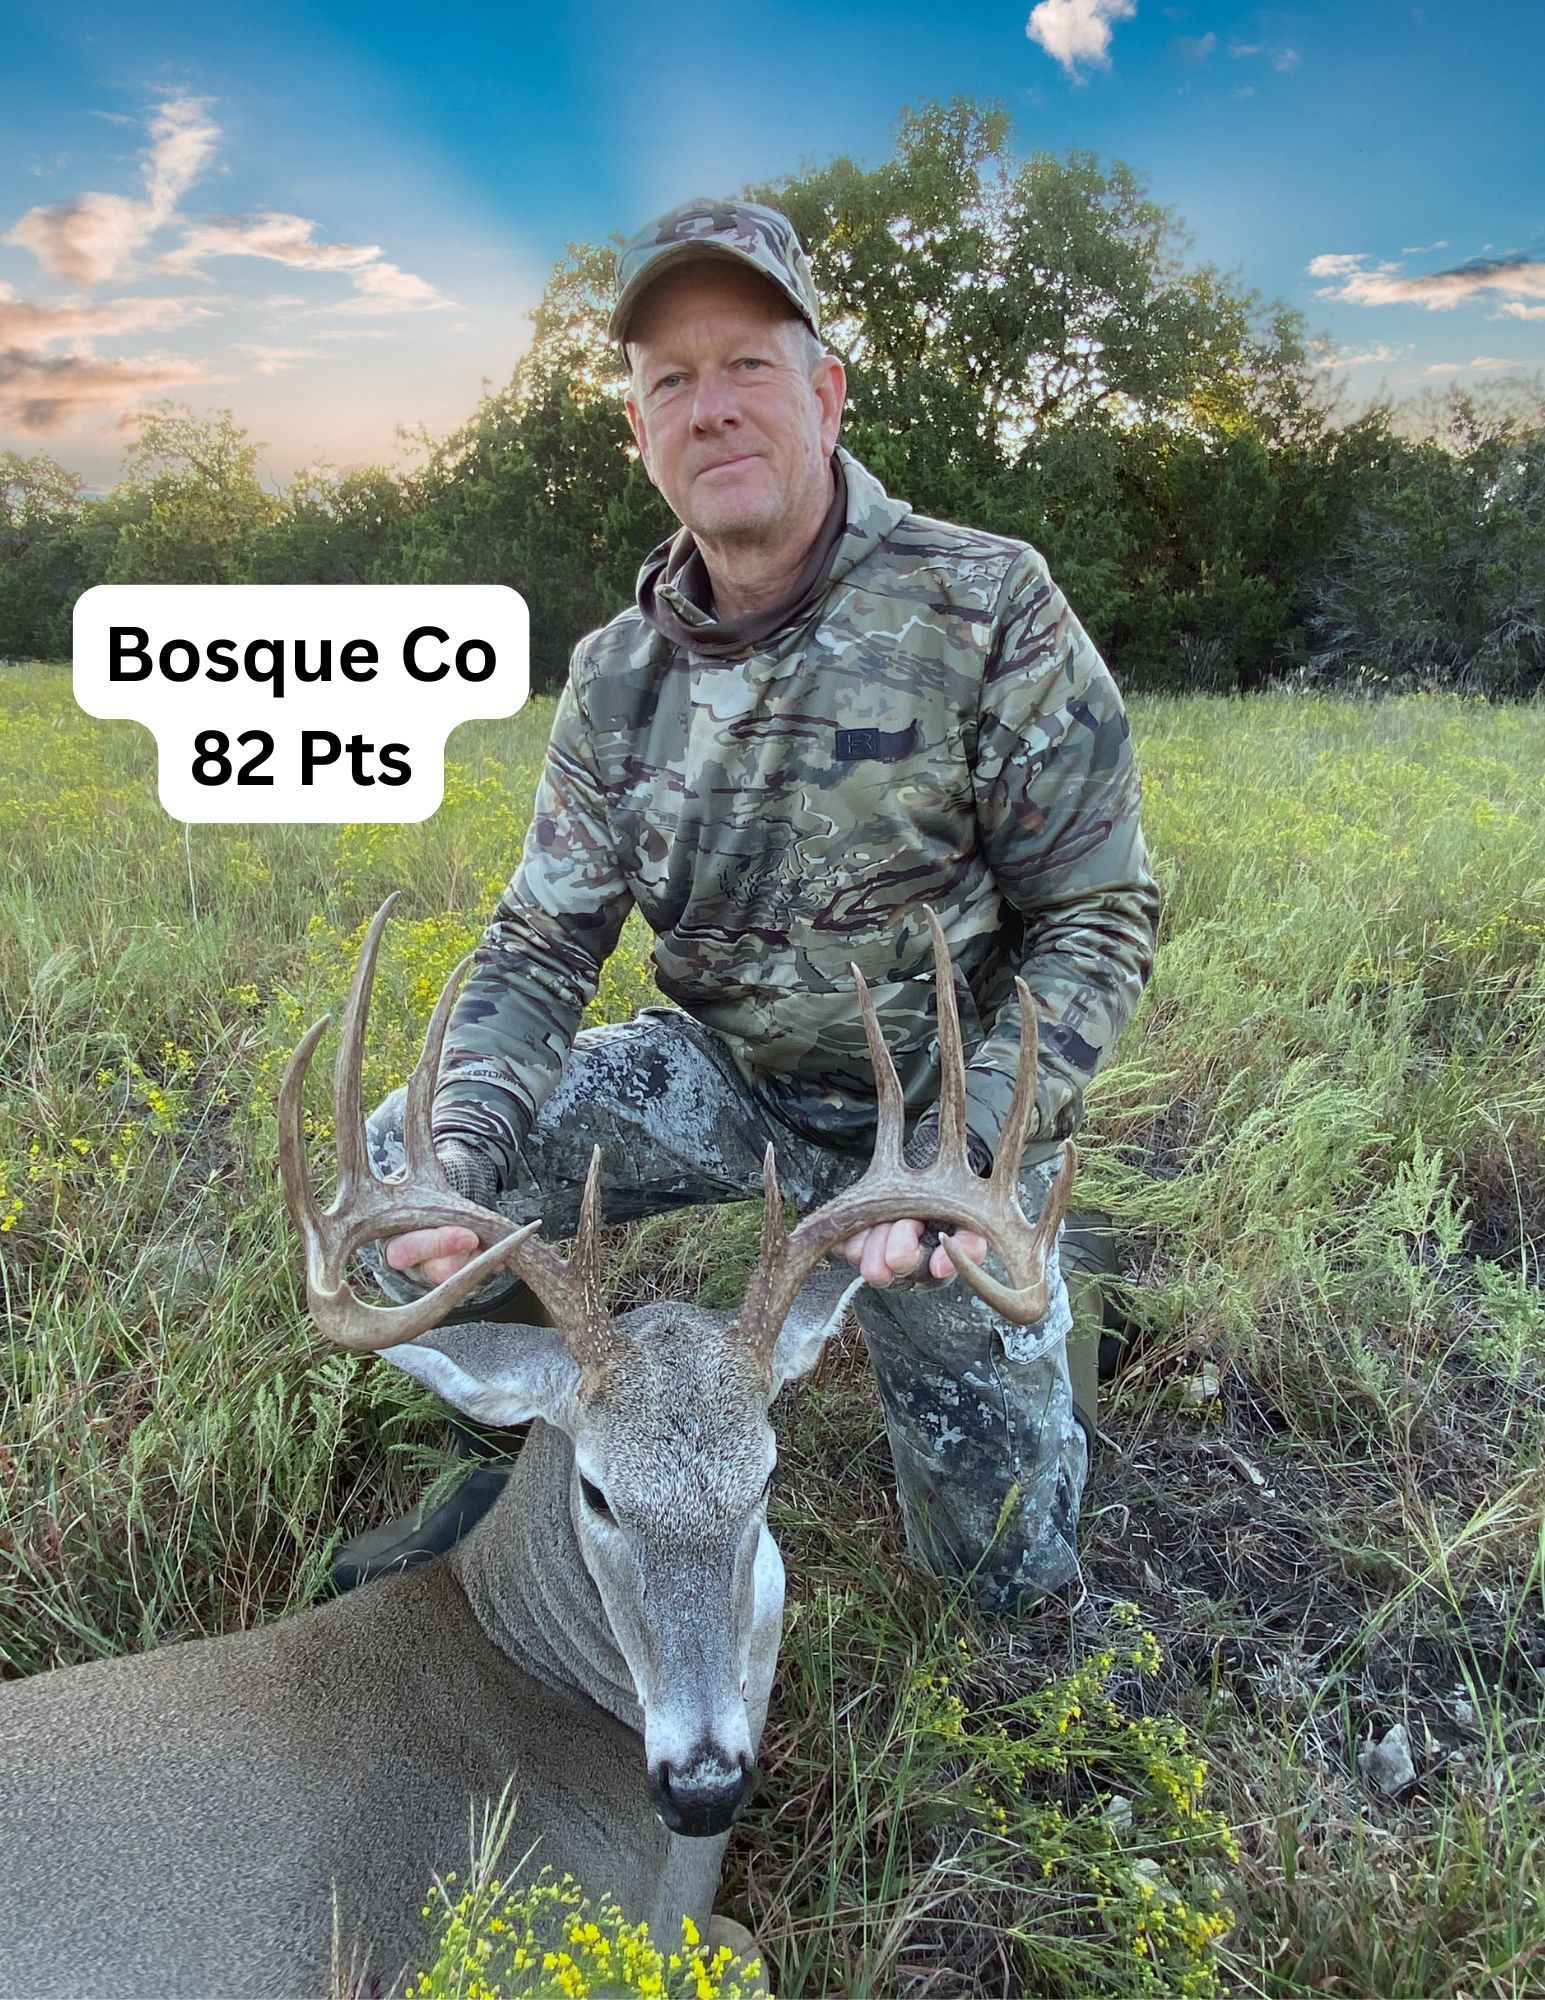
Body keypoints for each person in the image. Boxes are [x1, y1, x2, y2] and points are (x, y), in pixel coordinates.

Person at [345, 197, 1160, 1613]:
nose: (709, 407)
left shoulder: (987, 605)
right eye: (671, 380)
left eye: (745, 367)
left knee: (1003, 1587)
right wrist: (463, 1161)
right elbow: (540, 946)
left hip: (937, 1122)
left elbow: (1098, 915)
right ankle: (538, 1470)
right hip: (724, 1080)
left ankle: (1039, 1277)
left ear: (824, 396)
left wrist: (968, 1155)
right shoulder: (614, 674)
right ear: (639, 429)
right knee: (399, 1168)